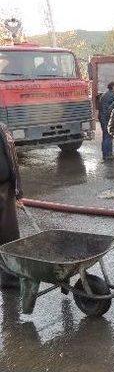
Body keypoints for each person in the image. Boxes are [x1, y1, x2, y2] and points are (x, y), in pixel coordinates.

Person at [0, 123, 23, 289]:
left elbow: (13, 159)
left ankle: (9, 276)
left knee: (10, 235)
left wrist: (18, 190)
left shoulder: (3, 128)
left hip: (6, 188)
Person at [98, 82, 114, 161]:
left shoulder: (104, 94)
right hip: (106, 118)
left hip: (101, 117)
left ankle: (106, 154)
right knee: (108, 136)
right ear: (113, 87)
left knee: (105, 136)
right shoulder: (113, 95)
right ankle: (108, 155)